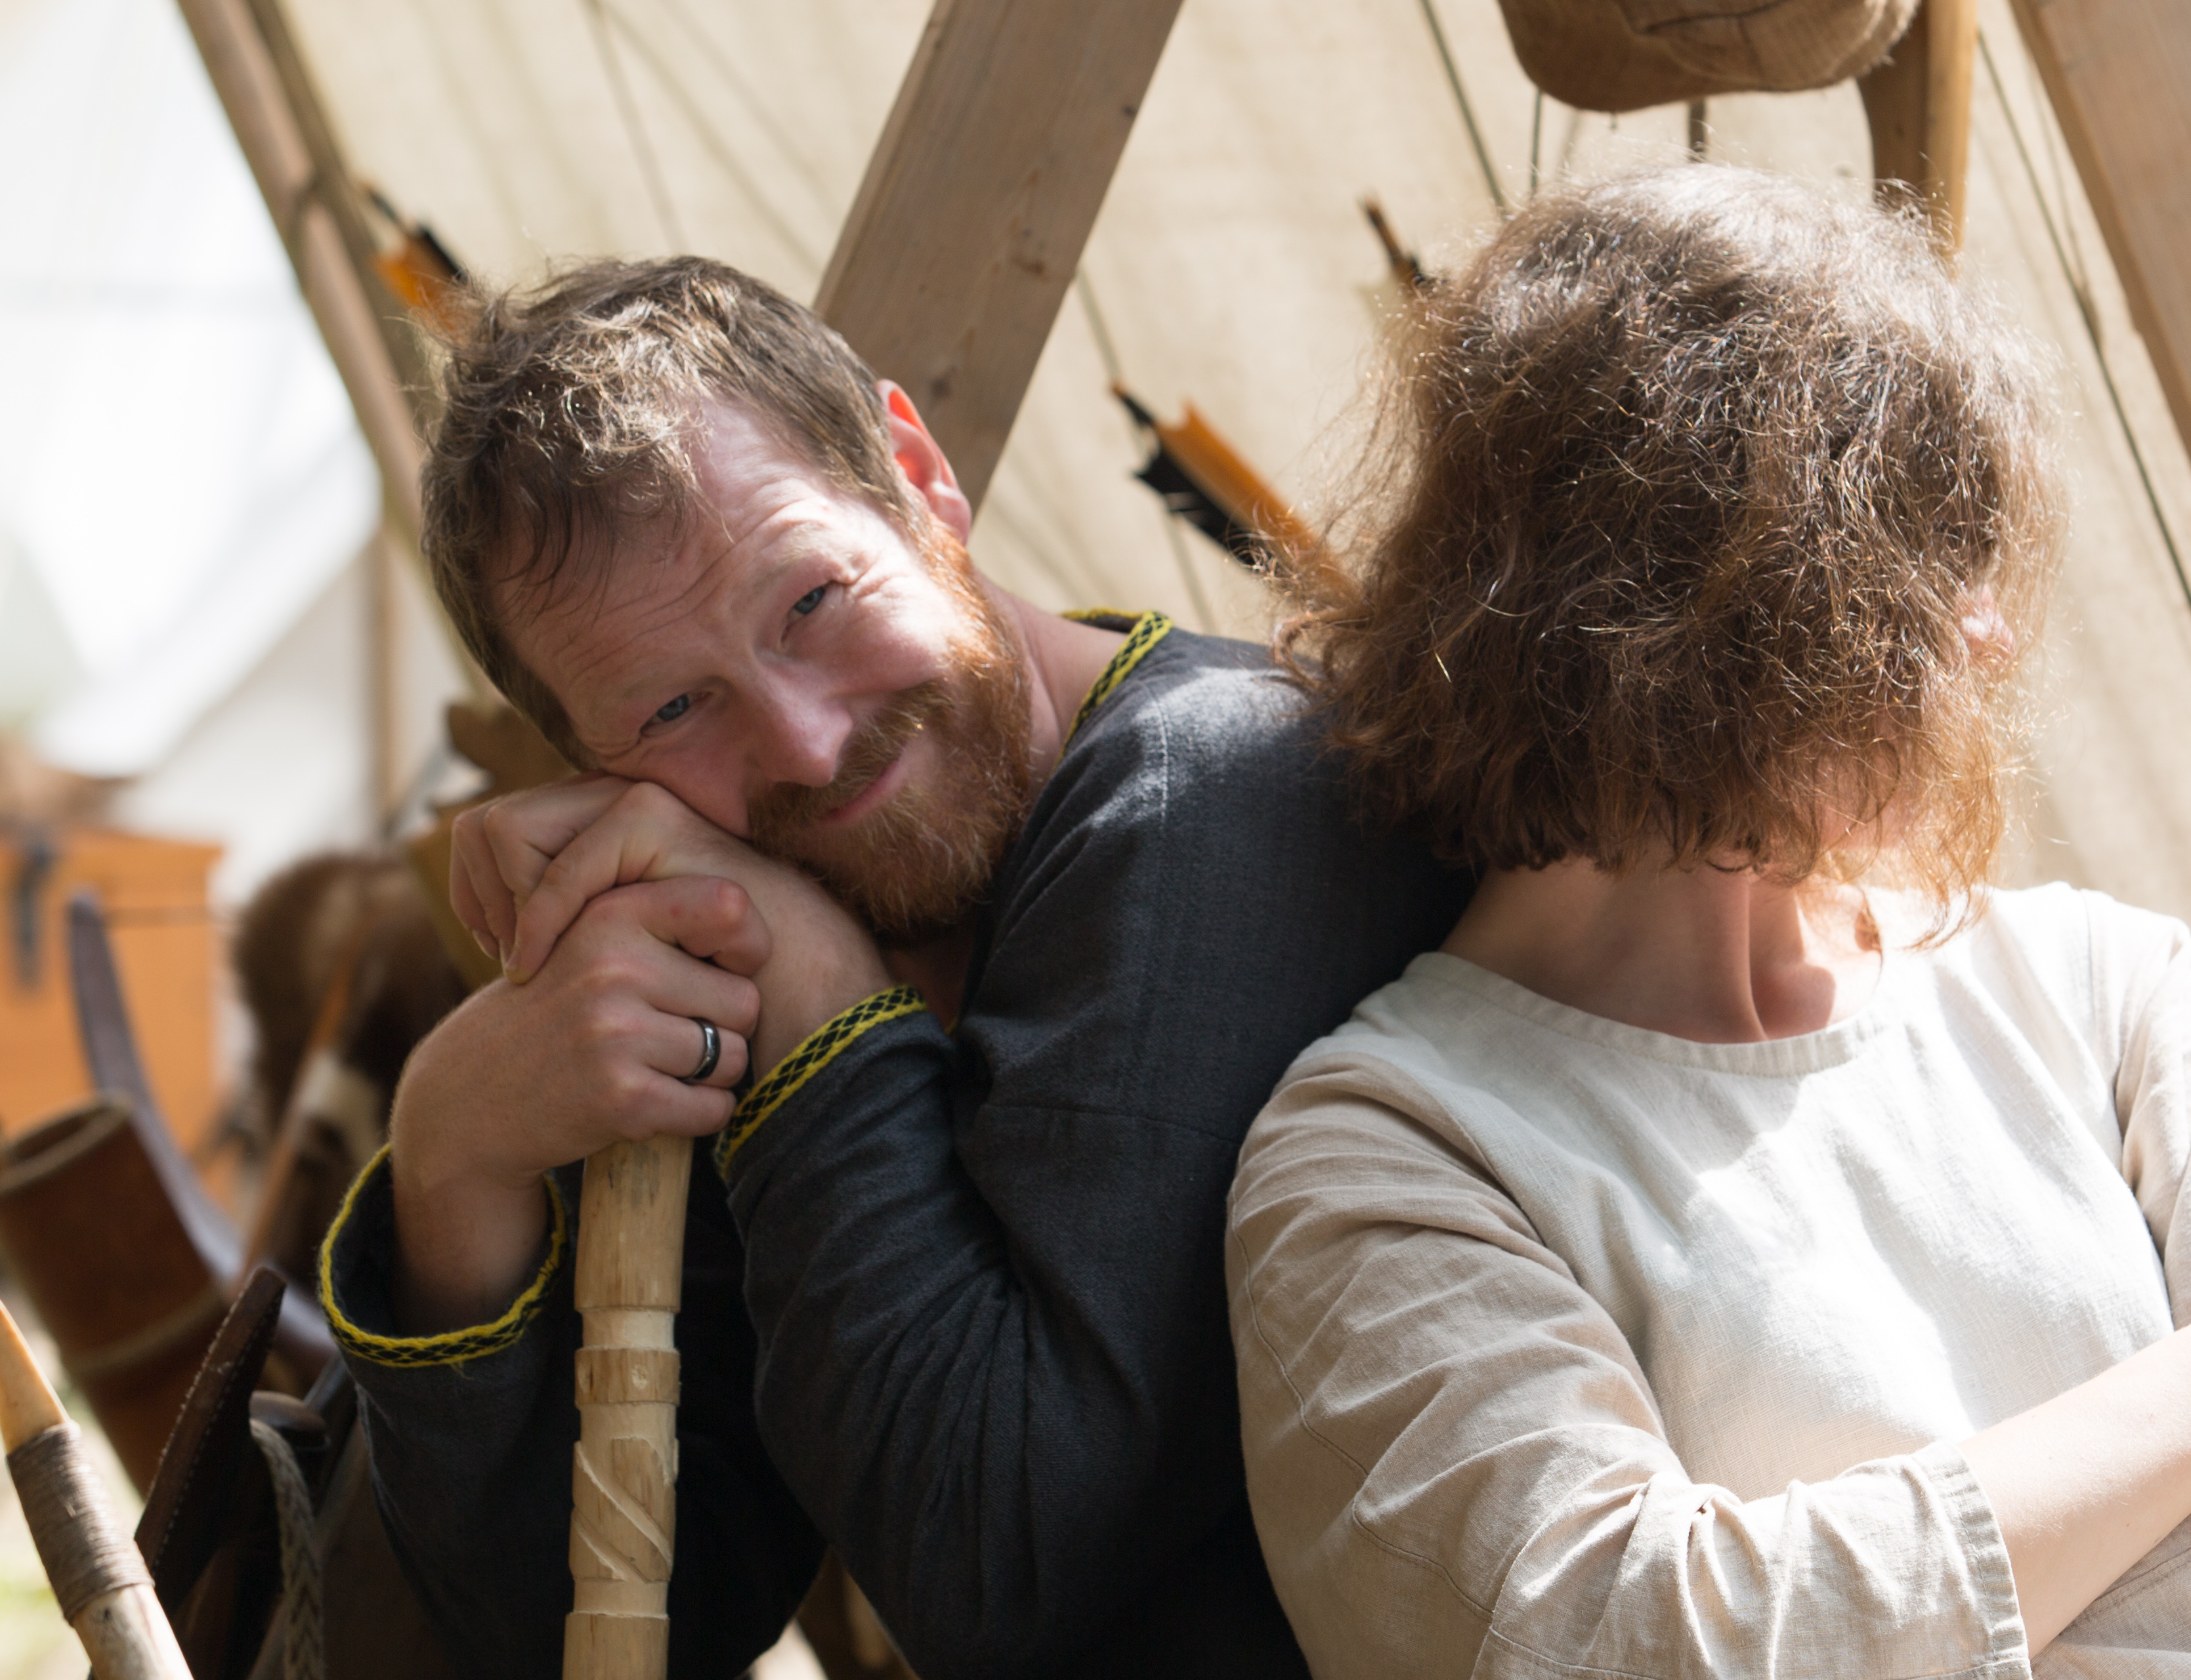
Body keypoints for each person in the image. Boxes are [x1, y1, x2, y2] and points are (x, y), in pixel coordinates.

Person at [1225, 165, 2191, 1679]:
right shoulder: (1390, 1158)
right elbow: (1617, 1645)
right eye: (1927, 546)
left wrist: (1844, 1612)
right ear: (1698, 596)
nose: (1992, 627)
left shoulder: (2105, 992)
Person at [315, 257, 1470, 1679]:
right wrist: (453, 1161)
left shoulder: (1224, 794)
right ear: (589, 764)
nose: (804, 746)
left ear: (918, 479)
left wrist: (813, 987)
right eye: (672, 708)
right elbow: (618, 1625)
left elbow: (996, 1564)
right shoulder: (784, 917)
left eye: (809, 600)